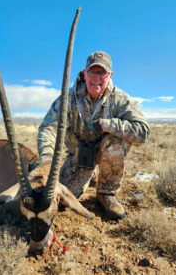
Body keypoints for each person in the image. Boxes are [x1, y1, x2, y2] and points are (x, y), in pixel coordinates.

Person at [37, 51, 150, 220]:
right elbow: (49, 126)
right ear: (84, 72)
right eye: (93, 72)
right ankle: (90, 174)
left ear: (110, 75)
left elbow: (142, 132)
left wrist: (109, 125)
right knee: (60, 198)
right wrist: (47, 157)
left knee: (116, 141)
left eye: (102, 73)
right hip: (79, 155)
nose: (97, 77)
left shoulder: (121, 99)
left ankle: (106, 192)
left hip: (108, 151)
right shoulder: (69, 97)